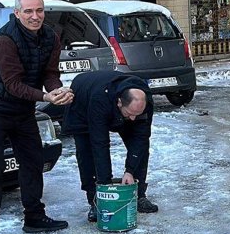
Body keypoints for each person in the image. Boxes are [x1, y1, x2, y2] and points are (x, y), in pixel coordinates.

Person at [0, 0, 74, 234]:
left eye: (39, 10)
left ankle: (34, 218)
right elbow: (12, 84)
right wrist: (46, 98)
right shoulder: (6, 40)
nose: (34, 16)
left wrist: (57, 90)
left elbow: (50, 73)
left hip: (23, 110)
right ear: (17, 13)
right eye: (28, 11)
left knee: (32, 162)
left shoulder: (51, 37)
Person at [62, 70, 159, 222]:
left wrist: (130, 171)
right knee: (87, 153)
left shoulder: (143, 102)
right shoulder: (100, 99)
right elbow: (99, 144)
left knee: (141, 148)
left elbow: (141, 139)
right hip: (83, 101)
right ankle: (95, 200)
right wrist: (105, 186)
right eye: (130, 114)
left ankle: (138, 194)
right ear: (119, 102)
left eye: (137, 114)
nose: (133, 119)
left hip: (114, 104)